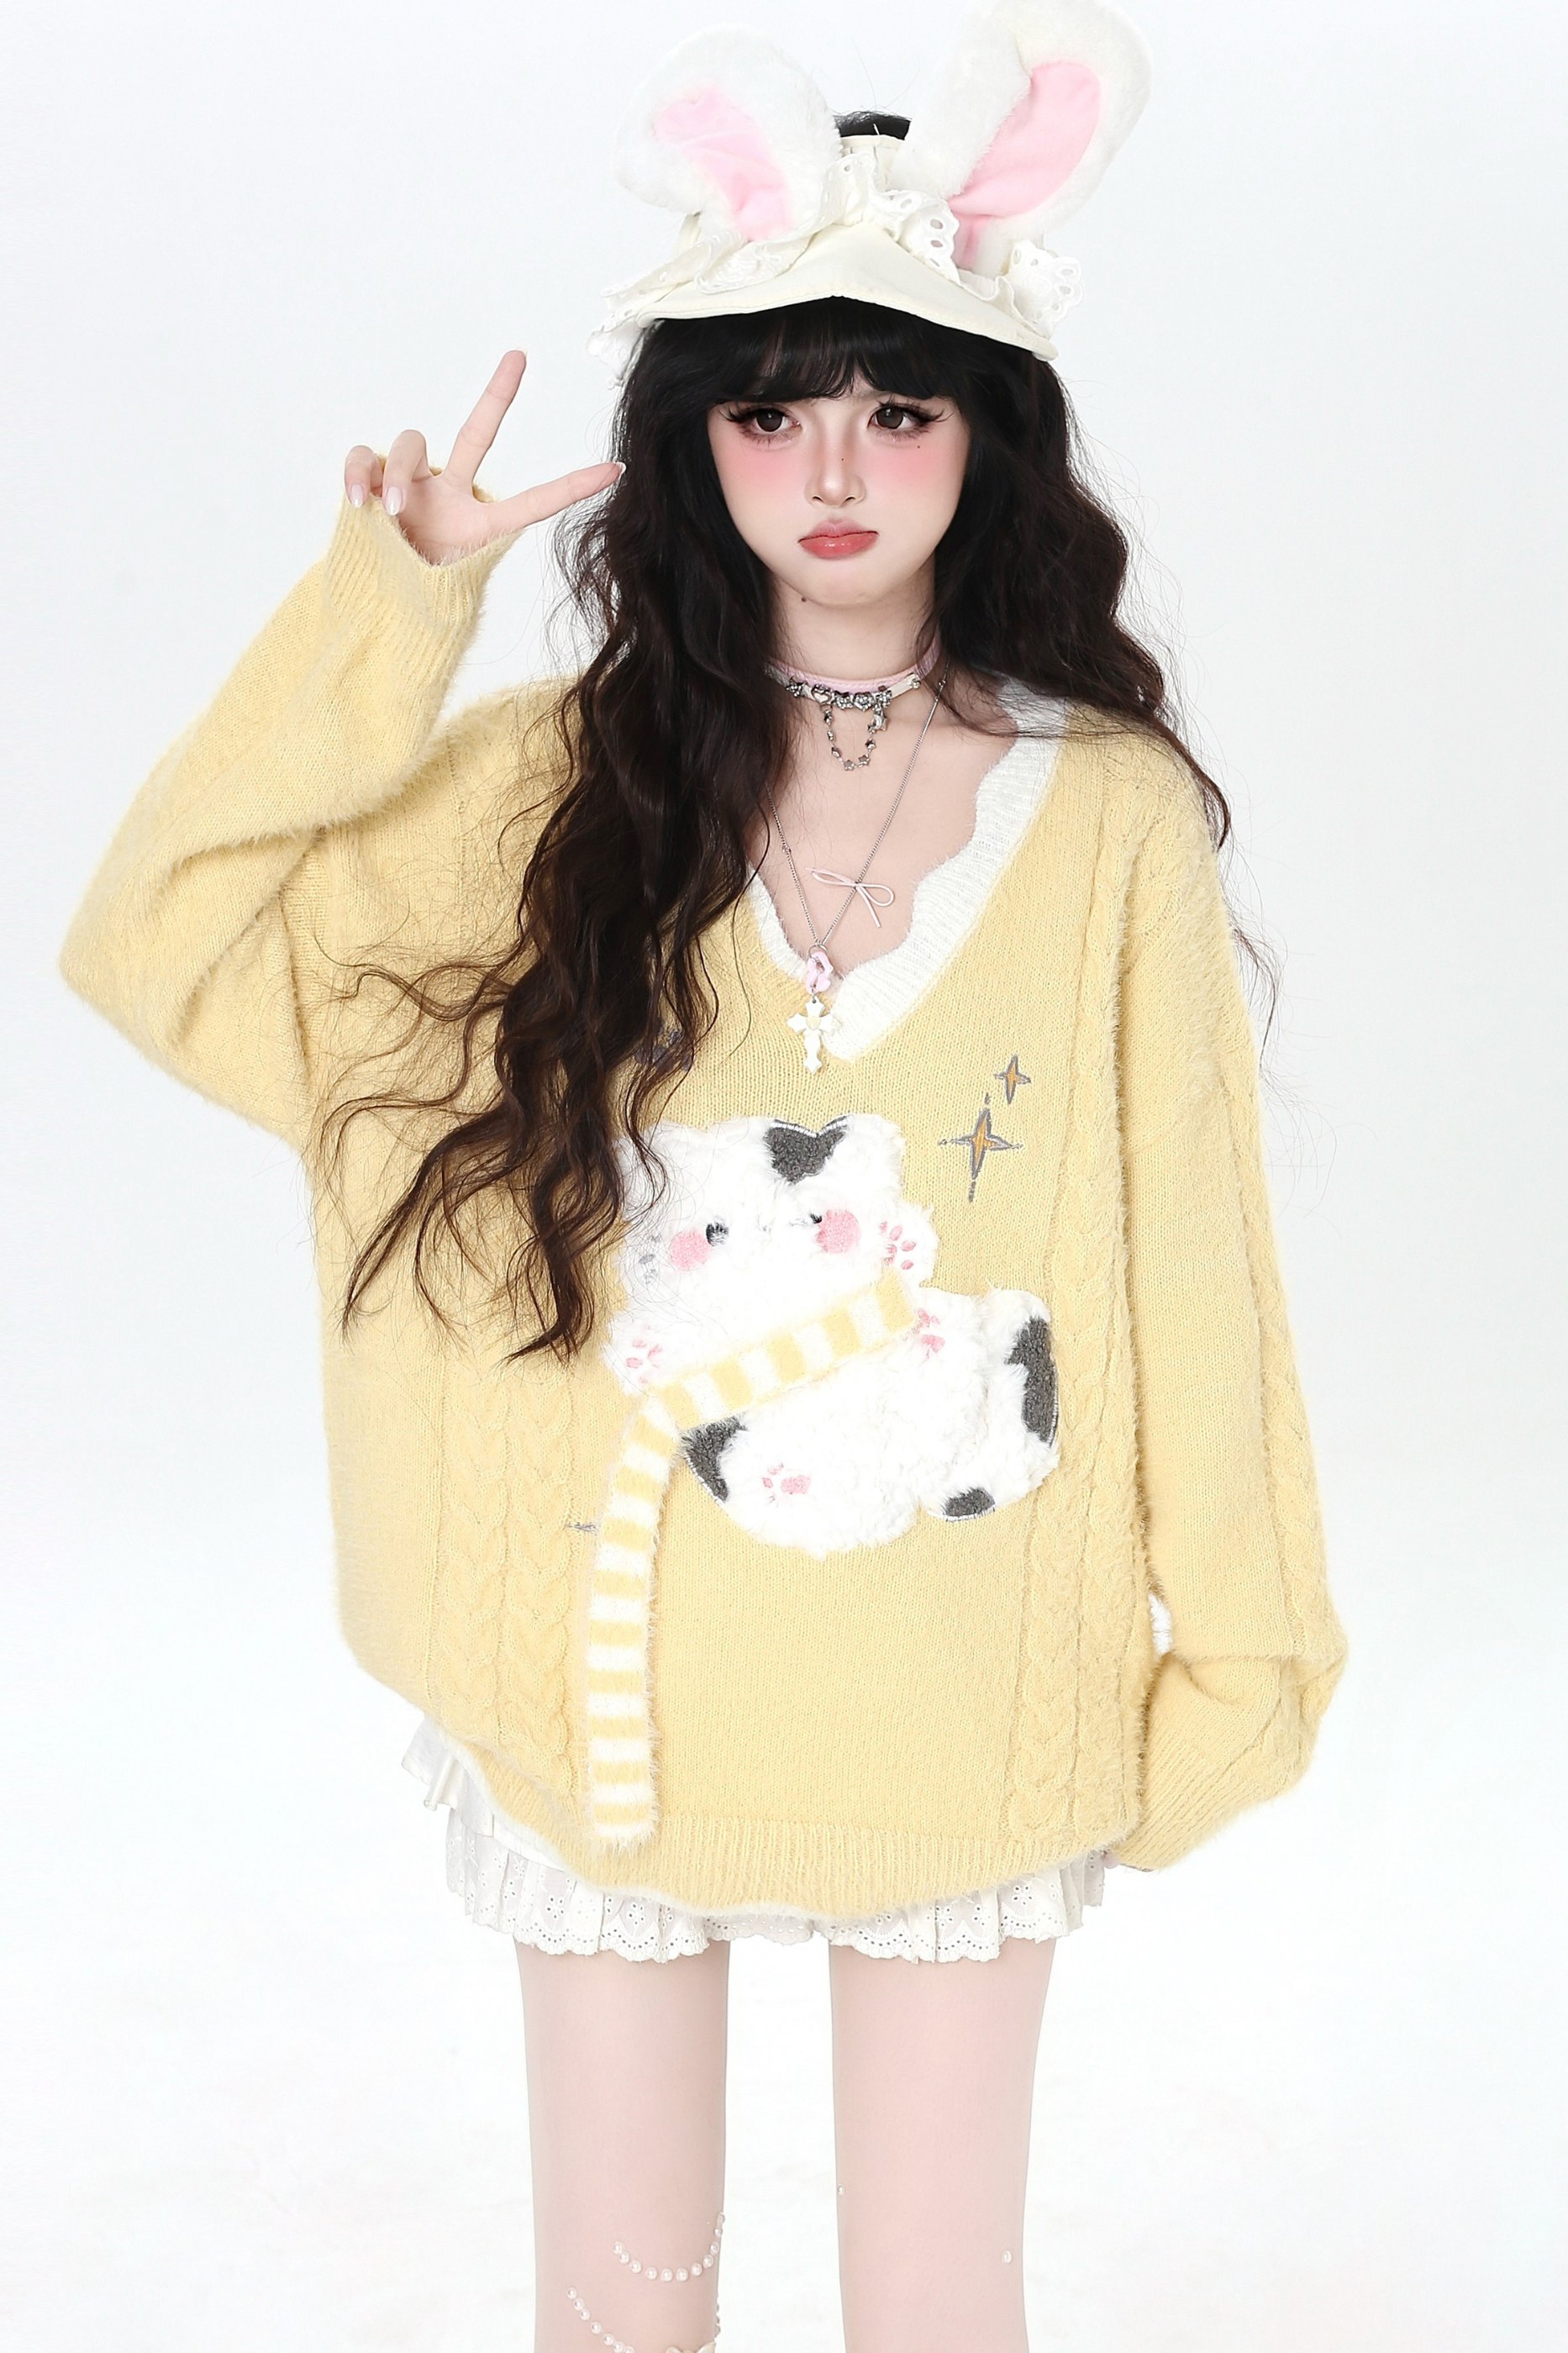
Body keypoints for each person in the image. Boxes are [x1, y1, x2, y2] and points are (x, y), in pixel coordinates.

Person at [59, 8, 1347, 2350]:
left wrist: (1246, 1641)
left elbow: (1191, 1253)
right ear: (690, 448)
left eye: (898, 409)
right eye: (770, 412)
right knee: (622, 2309)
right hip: (603, 1690)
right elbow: (160, 941)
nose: (833, 469)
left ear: (992, 435)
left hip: (965, 1677)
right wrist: (387, 609)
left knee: (937, 2312)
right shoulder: (540, 788)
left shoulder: (1109, 819)